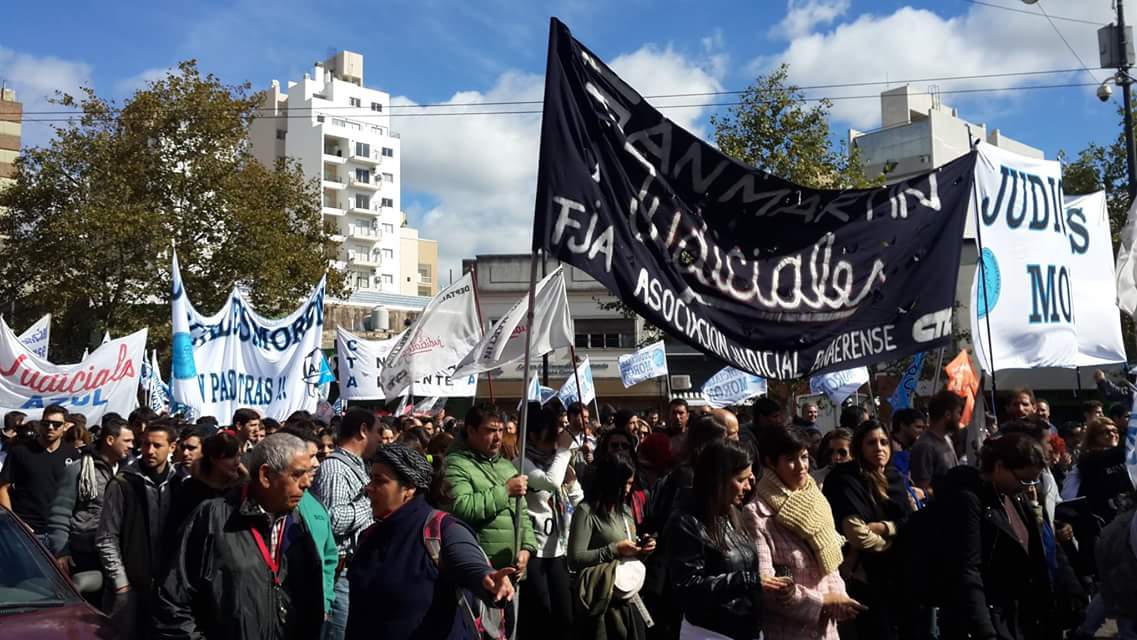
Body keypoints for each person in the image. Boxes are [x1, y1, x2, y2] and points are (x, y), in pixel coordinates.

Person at [154, 433, 325, 640]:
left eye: (308, 474)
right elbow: (174, 601)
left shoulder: (297, 525)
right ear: (266, 475)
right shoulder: (213, 519)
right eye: (297, 475)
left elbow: (312, 604)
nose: (306, 483)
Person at [346, 443, 516, 639]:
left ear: (409, 487)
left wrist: (488, 579)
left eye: (379, 481)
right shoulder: (370, 536)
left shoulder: (441, 530)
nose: (368, 488)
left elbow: (468, 562)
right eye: (370, 479)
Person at [744, 426, 861, 640]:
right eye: (791, 459)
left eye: (804, 457)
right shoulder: (757, 513)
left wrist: (840, 599)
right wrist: (823, 601)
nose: (801, 467)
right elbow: (767, 585)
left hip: (827, 630)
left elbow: (830, 563)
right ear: (770, 463)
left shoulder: (816, 497)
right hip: (787, 632)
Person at [933, 433, 1053, 640]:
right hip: (987, 618)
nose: (1028, 487)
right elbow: (967, 567)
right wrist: (984, 628)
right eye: (1023, 479)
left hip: (1016, 617)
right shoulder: (968, 500)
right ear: (999, 467)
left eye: (1033, 481)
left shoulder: (1014, 497)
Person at [668, 440, 791, 639]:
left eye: (750, 478)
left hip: (746, 629)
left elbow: (746, 564)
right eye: (742, 479)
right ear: (719, 479)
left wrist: (772, 583)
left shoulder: (732, 513)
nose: (749, 486)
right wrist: (748, 580)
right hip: (709, 632)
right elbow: (688, 587)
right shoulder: (686, 522)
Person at [822, 421, 913, 640]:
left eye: (883, 442)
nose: (879, 448)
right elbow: (858, 536)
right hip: (864, 578)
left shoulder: (894, 478)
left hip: (900, 577)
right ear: (859, 448)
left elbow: (910, 522)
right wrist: (893, 542)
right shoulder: (845, 479)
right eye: (871, 443)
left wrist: (885, 527)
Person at [97, 419, 178, 639]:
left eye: (157, 445)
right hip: (130, 589)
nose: (150, 451)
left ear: (172, 447)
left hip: (167, 591)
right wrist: (121, 583)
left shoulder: (179, 483)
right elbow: (106, 536)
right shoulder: (123, 483)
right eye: (145, 444)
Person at [311, 407, 383, 640]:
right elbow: (333, 520)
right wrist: (371, 503)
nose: (380, 439)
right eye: (377, 432)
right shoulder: (335, 468)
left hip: (356, 572)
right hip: (340, 575)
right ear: (363, 431)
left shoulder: (358, 466)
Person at [568, 452, 655, 639]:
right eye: (622, 483)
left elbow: (629, 553)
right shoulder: (586, 512)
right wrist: (614, 549)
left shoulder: (625, 510)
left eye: (630, 483)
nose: (626, 489)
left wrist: (642, 549)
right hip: (603, 601)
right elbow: (575, 558)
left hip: (630, 598)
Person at [446, 404, 537, 571]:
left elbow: (522, 512)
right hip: (479, 568)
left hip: (511, 568)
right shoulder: (455, 464)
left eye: (501, 431)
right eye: (490, 431)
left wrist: (526, 547)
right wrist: (506, 491)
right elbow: (462, 507)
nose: (498, 438)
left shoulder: (507, 466)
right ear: (471, 431)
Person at [519, 403, 583, 640]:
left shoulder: (557, 462)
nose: (555, 442)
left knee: (565, 616)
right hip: (535, 550)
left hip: (559, 548)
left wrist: (573, 483)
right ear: (533, 436)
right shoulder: (522, 462)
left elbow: (576, 496)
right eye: (550, 436)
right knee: (541, 615)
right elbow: (549, 483)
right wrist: (564, 452)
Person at [0, 405, 82, 546]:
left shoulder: (72, 454)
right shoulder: (20, 452)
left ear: (65, 427)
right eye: (45, 423)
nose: (50, 427)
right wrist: (15, 523)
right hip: (26, 531)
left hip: (60, 534)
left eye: (56, 424)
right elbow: (2, 488)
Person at [280, 425, 339, 620]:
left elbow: (329, 557)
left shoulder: (315, 505)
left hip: (313, 613)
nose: (316, 463)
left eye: (316, 456)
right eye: (310, 456)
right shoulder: (274, 505)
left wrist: (325, 599)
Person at [64, 415, 135, 577]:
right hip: (84, 553)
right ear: (110, 440)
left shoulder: (131, 472)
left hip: (119, 553)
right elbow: (61, 512)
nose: (131, 446)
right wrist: (62, 551)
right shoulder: (80, 469)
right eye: (127, 441)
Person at [166, 430, 246, 542]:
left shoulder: (242, 491)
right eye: (230, 457)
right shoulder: (190, 490)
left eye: (239, 456)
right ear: (213, 459)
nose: (237, 462)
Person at [909, 390, 964, 495]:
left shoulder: (947, 439)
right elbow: (921, 490)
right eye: (958, 412)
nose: (959, 417)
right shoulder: (925, 446)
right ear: (947, 414)